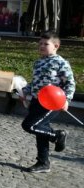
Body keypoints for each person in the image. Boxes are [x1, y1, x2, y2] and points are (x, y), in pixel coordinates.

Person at [20, 31, 75, 173]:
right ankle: (43, 162)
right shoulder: (38, 62)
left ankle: (57, 135)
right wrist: (25, 91)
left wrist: (67, 99)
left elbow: (70, 83)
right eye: (40, 43)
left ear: (56, 46)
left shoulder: (61, 63)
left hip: (52, 102)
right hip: (37, 101)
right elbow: (34, 83)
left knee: (29, 125)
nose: (42, 46)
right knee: (40, 130)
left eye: (46, 44)